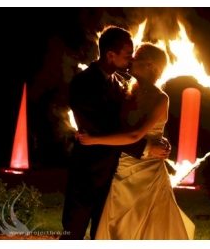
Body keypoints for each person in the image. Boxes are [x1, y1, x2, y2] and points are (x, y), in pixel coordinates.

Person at [60, 26, 171, 240]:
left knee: (104, 235)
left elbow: (129, 126)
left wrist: (156, 138)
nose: (130, 61)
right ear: (111, 55)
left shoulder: (121, 85)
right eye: (128, 56)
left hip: (115, 177)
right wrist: (147, 148)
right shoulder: (83, 83)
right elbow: (100, 130)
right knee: (72, 234)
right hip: (88, 174)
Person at [77, 42, 195, 239]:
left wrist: (95, 139)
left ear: (151, 66)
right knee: (118, 225)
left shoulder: (160, 98)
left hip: (149, 173)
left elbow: (135, 135)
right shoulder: (126, 93)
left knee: (148, 226)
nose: (131, 60)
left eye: (137, 57)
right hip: (122, 167)